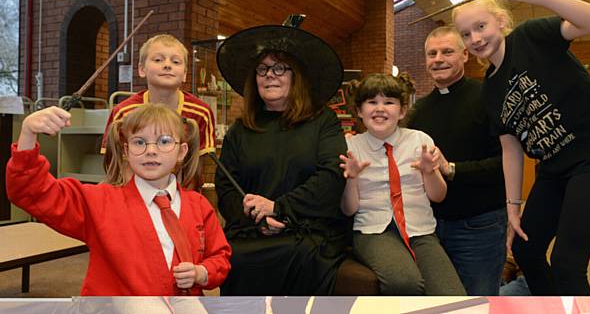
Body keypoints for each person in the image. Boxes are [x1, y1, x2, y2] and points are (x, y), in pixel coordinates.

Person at [452, 0, 590, 295]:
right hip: (555, 168)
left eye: (480, 26)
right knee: (526, 249)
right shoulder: (490, 90)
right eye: (466, 34)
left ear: (499, 21)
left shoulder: (529, 36)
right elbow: (510, 148)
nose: (475, 38)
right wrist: (513, 208)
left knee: (567, 264)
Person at [6, 103, 231, 295]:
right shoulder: (100, 202)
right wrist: (27, 133)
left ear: (181, 151)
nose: (151, 150)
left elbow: (219, 255)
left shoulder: (198, 205)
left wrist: (202, 273)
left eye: (163, 141)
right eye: (139, 142)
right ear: (126, 150)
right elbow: (32, 191)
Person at [214, 24, 349, 295]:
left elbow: (331, 176)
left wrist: (279, 208)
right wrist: (257, 217)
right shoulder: (240, 130)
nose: (269, 76)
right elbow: (226, 187)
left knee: (304, 257)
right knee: (236, 257)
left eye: (278, 68)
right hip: (251, 231)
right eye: (262, 69)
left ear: (296, 76)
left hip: (306, 230)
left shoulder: (323, 121)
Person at [340, 73, 466, 295]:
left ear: (402, 110)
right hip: (373, 231)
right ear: (359, 110)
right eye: (372, 102)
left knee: (452, 296)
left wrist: (430, 172)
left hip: (420, 229)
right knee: (404, 282)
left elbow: (438, 196)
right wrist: (351, 179)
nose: (380, 108)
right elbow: (348, 209)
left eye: (389, 102)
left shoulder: (420, 140)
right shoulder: (350, 146)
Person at [405, 26, 506, 295]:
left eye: (447, 52)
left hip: (479, 224)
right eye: (432, 53)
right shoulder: (418, 111)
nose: (438, 59)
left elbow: (505, 164)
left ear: (465, 55)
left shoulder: (489, 98)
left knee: (478, 298)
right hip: (429, 226)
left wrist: (452, 169)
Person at [101, 34, 216, 188]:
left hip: (183, 196)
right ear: (141, 69)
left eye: (175, 61)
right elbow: (120, 164)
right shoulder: (124, 111)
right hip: (135, 197)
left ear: (185, 74)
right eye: (158, 60)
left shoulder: (201, 112)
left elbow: (195, 165)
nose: (167, 65)